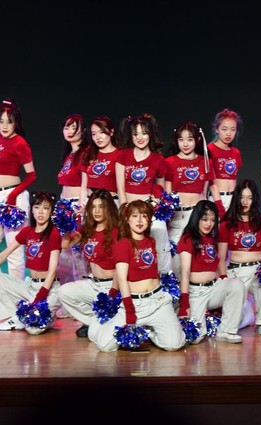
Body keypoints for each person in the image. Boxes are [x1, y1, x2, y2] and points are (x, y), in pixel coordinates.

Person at [88, 200, 186, 352]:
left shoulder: (151, 241)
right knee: (105, 346)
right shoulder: (123, 244)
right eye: (135, 216)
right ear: (127, 219)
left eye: (144, 216)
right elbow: (121, 277)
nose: (140, 220)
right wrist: (127, 308)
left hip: (157, 301)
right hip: (134, 304)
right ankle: (132, 328)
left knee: (175, 344)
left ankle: (147, 333)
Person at [0, 192, 62, 333]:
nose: (41, 212)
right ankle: (16, 317)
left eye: (46, 208)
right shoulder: (27, 231)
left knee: (33, 330)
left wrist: (40, 297)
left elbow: (52, 271)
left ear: (51, 212)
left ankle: (39, 317)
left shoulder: (54, 234)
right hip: (30, 286)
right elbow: (4, 254)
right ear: (31, 210)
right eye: (37, 207)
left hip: (49, 289)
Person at [0, 97, 36, 281]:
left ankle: (16, 294)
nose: (4, 126)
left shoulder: (20, 143)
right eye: (1, 121)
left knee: (14, 254)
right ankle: (2, 288)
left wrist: (12, 197)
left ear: (16, 122)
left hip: (13, 198)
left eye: (9, 122)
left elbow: (32, 175)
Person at [176, 200, 245, 344]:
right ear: (197, 218)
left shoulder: (213, 239)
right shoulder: (187, 239)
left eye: (213, 220)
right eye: (204, 219)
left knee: (236, 285)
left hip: (213, 287)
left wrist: (224, 279)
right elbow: (185, 272)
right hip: (196, 292)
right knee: (195, 338)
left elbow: (218, 263)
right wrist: (184, 302)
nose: (209, 224)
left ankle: (226, 331)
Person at [218, 179, 261, 335]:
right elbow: (221, 256)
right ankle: (247, 315)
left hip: (256, 269)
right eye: (242, 197)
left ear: (254, 200)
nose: (245, 202)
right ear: (236, 198)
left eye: (249, 198)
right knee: (234, 321)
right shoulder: (227, 223)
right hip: (235, 271)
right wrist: (223, 278)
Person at [57, 189, 120, 337]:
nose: (96, 211)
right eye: (93, 207)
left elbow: (121, 266)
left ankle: (101, 323)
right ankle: (94, 321)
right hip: (93, 284)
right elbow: (65, 244)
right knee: (64, 292)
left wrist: (113, 292)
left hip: (111, 286)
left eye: (101, 207)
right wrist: (67, 225)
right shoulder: (87, 229)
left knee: (95, 336)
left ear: (108, 208)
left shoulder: (116, 231)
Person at [115, 113, 172, 274]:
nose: (140, 138)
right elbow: (120, 187)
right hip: (128, 209)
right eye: (136, 134)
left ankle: (164, 279)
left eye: (144, 133)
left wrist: (153, 205)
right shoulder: (123, 155)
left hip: (149, 210)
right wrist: (125, 210)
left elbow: (160, 188)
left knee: (160, 243)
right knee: (128, 247)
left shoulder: (158, 159)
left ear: (150, 134)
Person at [164, 120, 223, 274]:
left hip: (197, 217)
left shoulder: (205, 161)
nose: (185, 144)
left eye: (189, 139)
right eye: (181, 139)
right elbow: (168, 192)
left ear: (197, 140)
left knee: (199, 259)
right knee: (175, 261)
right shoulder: (169, 162)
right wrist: (167, 216)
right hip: (178, 216)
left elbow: (209, 188)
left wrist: (220, 209)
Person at [56, 113, 90, 317]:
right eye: (66, 127)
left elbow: (85, 182)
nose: (69, 131)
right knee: (64, 256)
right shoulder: (69, 154)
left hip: (77, 206)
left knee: (79, 255)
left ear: (82, 131)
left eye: (74, 128)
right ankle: (69, 302)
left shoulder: (85, 152)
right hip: (65, 206)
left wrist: (82, 206)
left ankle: (83, 303)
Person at [79, 116, 120, 209]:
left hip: (111, 203)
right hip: (90, 202)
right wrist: (81, 206)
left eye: (102, 132)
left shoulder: (120, 154)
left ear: (111, 132)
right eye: (94, 134)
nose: (98, 137)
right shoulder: (88, 154)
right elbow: (84, 186)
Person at [207, 108, 243, 211]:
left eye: (233, 129)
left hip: (234, 199)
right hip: (216, 198)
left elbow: (234, 178)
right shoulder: (210, 149)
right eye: (224, 129)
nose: (228, 133)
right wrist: (219, 205)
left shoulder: (236, 152)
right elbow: (211, 182)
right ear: (216, 129)